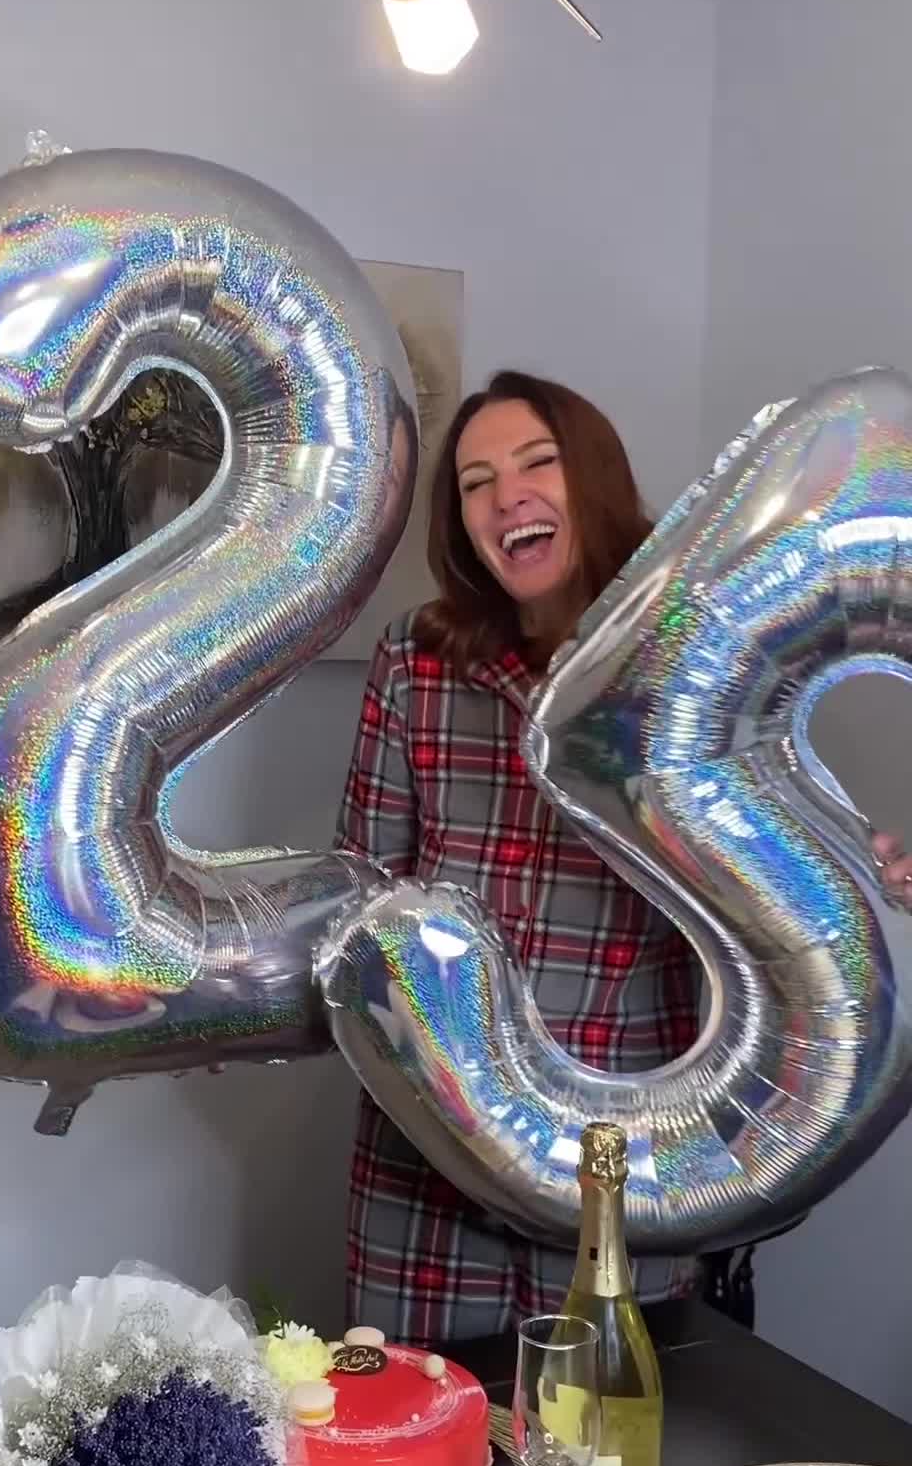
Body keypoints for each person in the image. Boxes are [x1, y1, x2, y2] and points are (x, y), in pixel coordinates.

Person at [335, 370, 912, 1344]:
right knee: (429, 1425)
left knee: (620, 1431)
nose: (506, 497)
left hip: (640, 1162)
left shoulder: (700, 664)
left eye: (538, 463)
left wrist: (862, 881)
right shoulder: (416, 662)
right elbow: (363, 890)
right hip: (435, 1166)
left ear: (593, 478)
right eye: (475, 483)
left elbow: (776, 879)